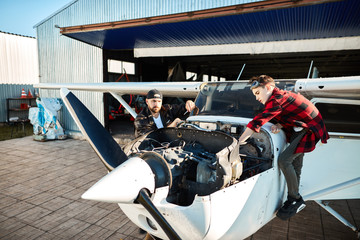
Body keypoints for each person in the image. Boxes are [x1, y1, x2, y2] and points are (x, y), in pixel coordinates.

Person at [238, 75, 329, 220]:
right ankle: (293, 199)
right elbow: (289, 112)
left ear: (268, 88)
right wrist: (280, 124)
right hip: (299, 126)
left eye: (257, 93)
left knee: (284, 161)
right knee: (295, 164)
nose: (256, 98)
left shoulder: (277, 99)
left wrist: (238, 144)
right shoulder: (280, 97)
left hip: (309, 128)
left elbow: (258, 121)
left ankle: (295, 198)